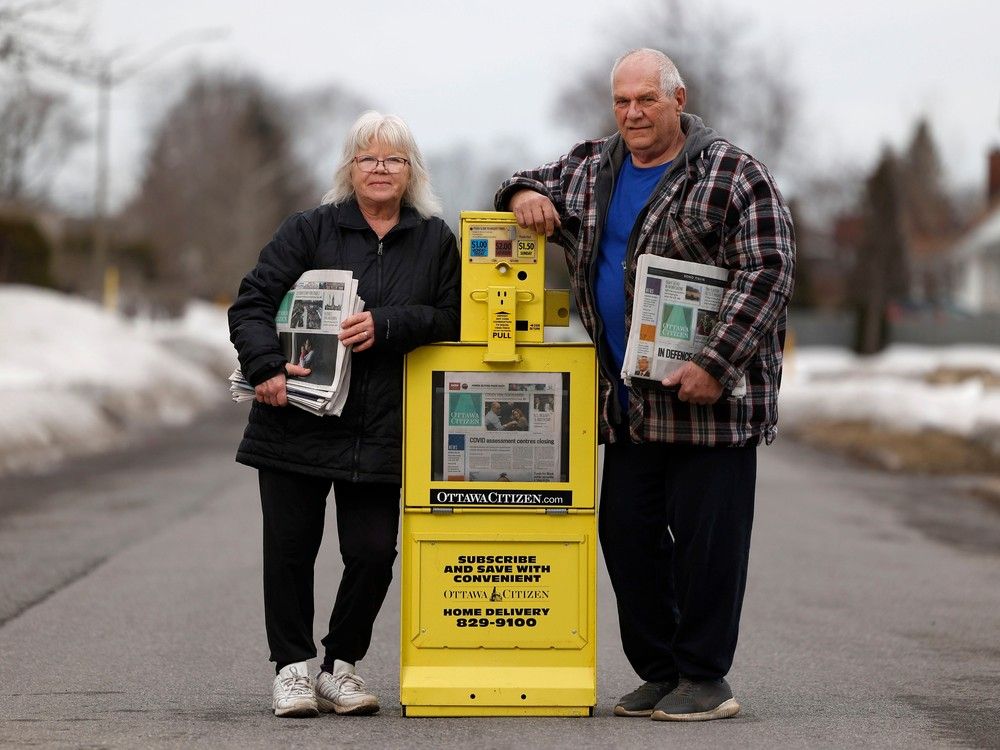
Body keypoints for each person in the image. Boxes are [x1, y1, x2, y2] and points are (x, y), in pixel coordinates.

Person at [495, 48, 794, 722]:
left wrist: (717, 363)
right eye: (622, 101)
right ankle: (660, 670)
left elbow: (769, 272)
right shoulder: (594, 167)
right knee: (625, 534)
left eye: (646, 101)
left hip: (708, 402)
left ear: (678, 99)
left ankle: (704, 677)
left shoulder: (734, 174)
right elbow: (519, 179)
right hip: (629, 404)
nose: (632, 113)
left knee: (706, 542)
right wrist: (525, 198)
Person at [229, 111, 460, 719]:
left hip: (382, 427)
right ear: (349, 169)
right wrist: (264, 369)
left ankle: (340, 666)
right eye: (367, 158)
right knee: (289, 550)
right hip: (295, 420)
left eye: (393, 159)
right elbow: (251, 302)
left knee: (371, 552)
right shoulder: (309, 229)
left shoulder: (436, 239)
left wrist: (389, 324)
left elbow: (452, 317)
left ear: (411, 172)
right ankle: (292, 670)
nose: (380, 168)